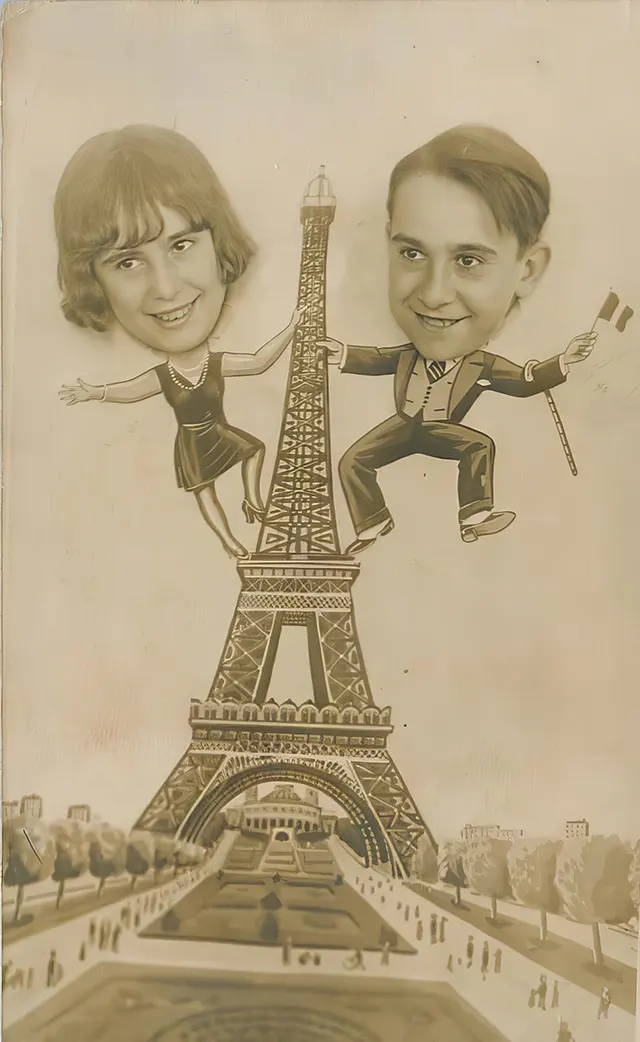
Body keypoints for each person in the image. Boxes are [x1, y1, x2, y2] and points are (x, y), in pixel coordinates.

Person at [319, 125, 597, 553]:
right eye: (411, 253)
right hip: (405, 426)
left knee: (479, 446)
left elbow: (524, 380)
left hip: (442, 430)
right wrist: (342, 355)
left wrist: (564, 361)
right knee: (352, 460)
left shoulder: (484, 366)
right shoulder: (405, 351)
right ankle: (372, 521)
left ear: (528, 269)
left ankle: (475, 513)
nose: (433, 294)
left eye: (468, 260)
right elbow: (377, 358)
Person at [56, 125, 304, 560]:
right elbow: (126, 391)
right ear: (90, 278)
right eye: (129, 260)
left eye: (181, 244)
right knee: (205, 494)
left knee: (254, 452)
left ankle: (252, 498)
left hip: (218, 434)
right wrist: (92, 392)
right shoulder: (155, 379)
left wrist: (294, 327)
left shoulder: (212, 359)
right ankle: (230, 543)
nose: (167, 289)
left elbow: (262, 361)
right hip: (191, 444)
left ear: (218, 241)